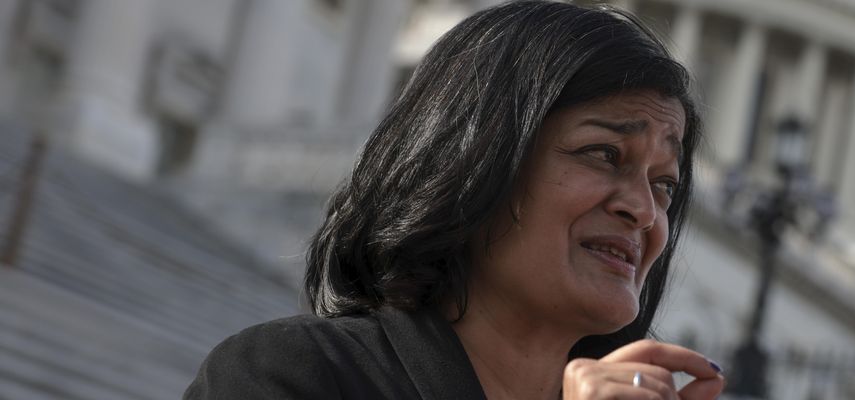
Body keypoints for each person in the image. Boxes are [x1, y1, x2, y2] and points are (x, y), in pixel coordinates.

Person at [184, 1, 724, 399]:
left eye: (664, 184)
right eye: (604, 154)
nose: (645, 212)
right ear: (472, 159)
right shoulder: (292, 374)